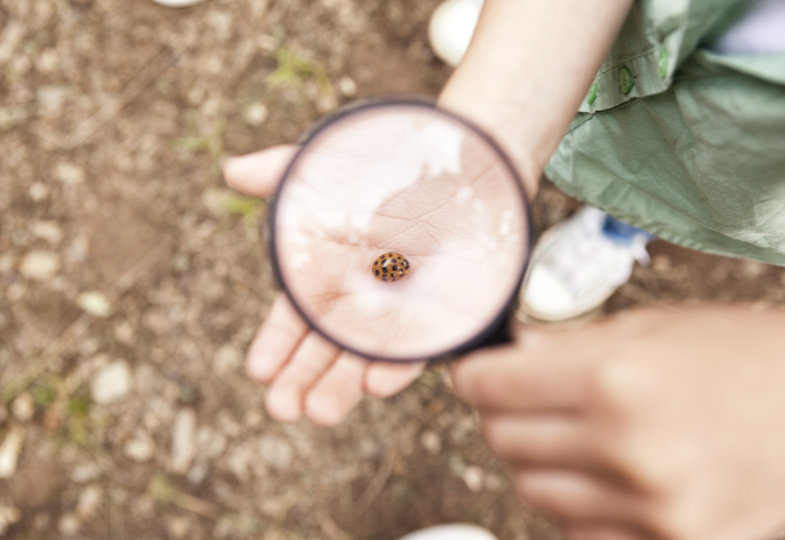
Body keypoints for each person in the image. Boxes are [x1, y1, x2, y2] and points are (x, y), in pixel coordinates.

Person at [224, 1, 785, 539]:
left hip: (739, 163)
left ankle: (621, 224)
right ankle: (542, 49)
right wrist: (499, 116)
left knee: (680, 183)